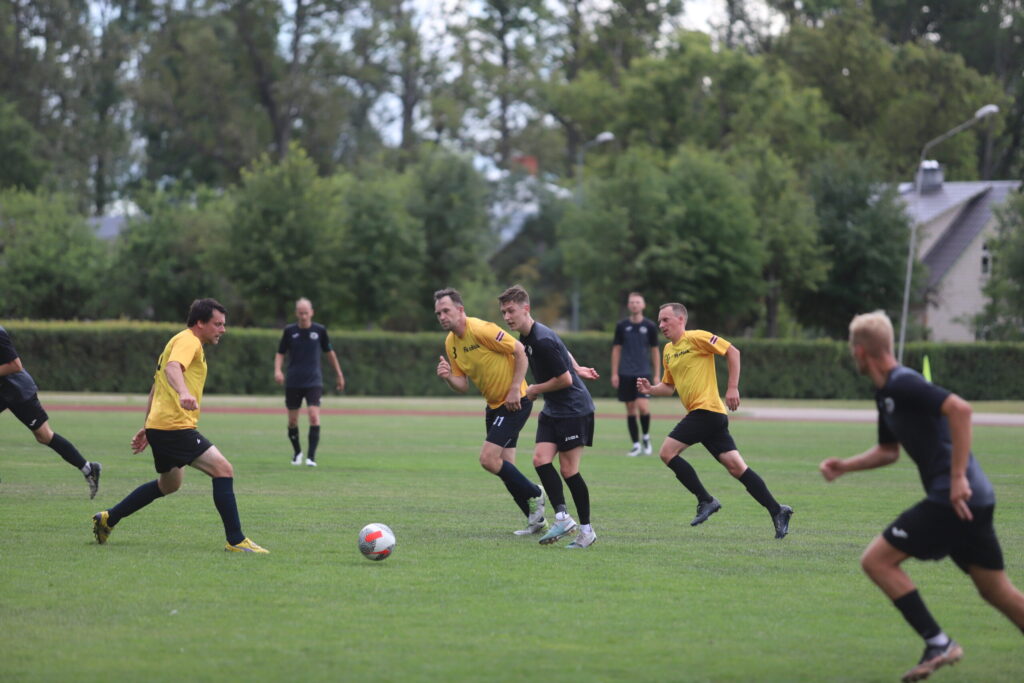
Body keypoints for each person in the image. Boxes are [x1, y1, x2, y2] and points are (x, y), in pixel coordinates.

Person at [820, 311, 1024, 682]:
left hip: (955, 497)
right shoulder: (886, 395)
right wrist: (844, 466)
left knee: (877, 561)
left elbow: (960, 409)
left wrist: (958, 476)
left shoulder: (902, 383)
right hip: (970, 500)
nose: (853, 356)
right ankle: (938, 642)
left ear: (862, 351)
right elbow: (888, 451)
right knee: (997, 591)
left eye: (853, 349)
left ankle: (939, 642)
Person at [92, 298, 268, 553]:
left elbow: (156, 386)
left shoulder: (177, 341)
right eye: (218, 324)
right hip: (175, 426)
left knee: (169, 485)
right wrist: (184, 393)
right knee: (223, 470)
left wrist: (148, 426)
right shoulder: (189, 341)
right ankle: (236, 540)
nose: (223, 330)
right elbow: (173, 369)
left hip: (162, 425)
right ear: (200, 323)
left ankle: (109, 518)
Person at [638, 302, 792, 538]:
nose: (661, 325)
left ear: (681, 320)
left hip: (707, 411)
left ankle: (706, 500)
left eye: (665, 320)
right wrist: (651, 388)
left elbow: (733, 351)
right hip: (708, 417)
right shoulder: (668, 350)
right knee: (737, 467)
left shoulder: (698, 338)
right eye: (659, 321)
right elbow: (668, 387)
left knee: (667, 452)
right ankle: (777, 510)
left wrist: (732, 387)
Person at [434, 287, 547, 535]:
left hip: (515, 402)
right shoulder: (451, 342)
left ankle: (535, 493)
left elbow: (519, 350)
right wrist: (447, 377)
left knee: (488, 459)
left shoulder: (481, 329)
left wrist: (515, 388)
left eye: (446, 311)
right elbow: (462, 385)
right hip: (494, 407)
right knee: (505, 467)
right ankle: (535, 521)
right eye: (438, 313)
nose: (442, 316)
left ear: (460, 310)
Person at [499, 285, 600, 549]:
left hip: (574, 408)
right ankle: (564, 518)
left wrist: (534, 389)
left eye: (511, 311)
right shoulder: (529, 337)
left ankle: (587, 531)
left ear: (526, 309)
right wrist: (577, 366)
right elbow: (563, 350)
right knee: (540, 460)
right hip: (554, 408)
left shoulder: (541, 339)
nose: (507, 317)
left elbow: (565, 379)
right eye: (504, 312)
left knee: (569, 470)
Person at [0, 325, 102, 498]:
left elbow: (15, 365)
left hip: (18, 391)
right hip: (4, 390)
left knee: (44, 436)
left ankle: (89, 468)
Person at [274, 297, 346, 467]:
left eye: (306, 313)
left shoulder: (320, 331)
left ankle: (311, 457)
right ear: (296, 313)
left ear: (312, 312)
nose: (304, 316)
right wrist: (278, 370)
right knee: (292, 421)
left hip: (314, 381)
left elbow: (330, 353)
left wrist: (339, 374)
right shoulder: (289, 331)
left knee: (314, 417)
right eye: (300, 313)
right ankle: (297, 452)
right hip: (293, 381)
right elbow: (280, 353)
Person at [611, 292, 660, 456]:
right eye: (632, 302)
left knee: (643, 408)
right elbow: (616, 350)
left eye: (638, 302)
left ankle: (646, 437)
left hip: (643, 373)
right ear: (628, 305)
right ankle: (636, 444)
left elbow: (655, 351)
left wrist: (657, 374)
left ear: (643, 305)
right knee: (631, 409)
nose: (634, 305)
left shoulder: (651, 326)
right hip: (625, 373)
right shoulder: (622, 326)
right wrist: (614, 373)